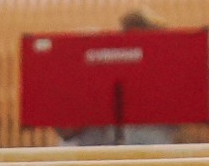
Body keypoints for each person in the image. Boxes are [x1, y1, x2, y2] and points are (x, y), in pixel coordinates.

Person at [58, 12, 185, 146]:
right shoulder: (98, 64)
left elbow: (180, 121)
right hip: (93, 146)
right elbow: (65, 132)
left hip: (146, 147)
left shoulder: (166, 79)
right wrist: (98, 103)